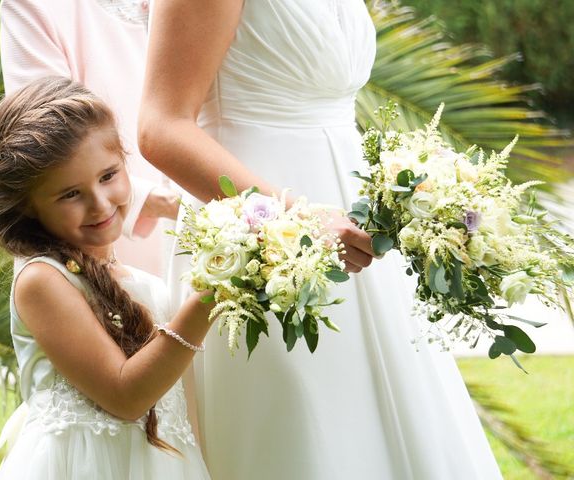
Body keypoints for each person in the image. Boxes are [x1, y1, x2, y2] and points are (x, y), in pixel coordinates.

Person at [138, 1, 503, 479]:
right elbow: (160, 127)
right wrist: (295, 218)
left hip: (356, 236)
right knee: (300, 427)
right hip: (263, 242)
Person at [0, 77, 211, 479]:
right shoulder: (42, 280)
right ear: (30, 207)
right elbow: (126, 396)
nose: (100, 204)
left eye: (108, 176)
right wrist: (212, 298)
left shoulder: (132, 278)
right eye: (70, 194)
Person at [0, 0, 179, 274]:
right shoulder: (34, 6)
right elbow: (45, 143)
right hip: (96, 240)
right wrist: (160, 202)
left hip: (213, 221)